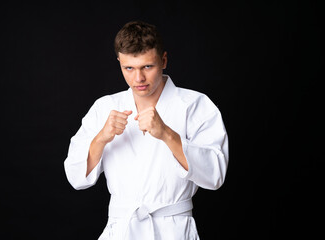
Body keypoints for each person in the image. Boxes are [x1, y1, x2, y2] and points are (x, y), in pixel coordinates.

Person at [64, 20, 229, 240]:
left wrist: (167, 134)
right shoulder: (105, 107)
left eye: (147, 67)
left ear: (164, 60)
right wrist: (101, 138)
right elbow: (75, 177)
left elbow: (215, 175)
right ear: (119, 63)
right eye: (129, 68)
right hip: (122, 230)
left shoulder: (195, 104)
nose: (138, 78)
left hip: (174, 230)